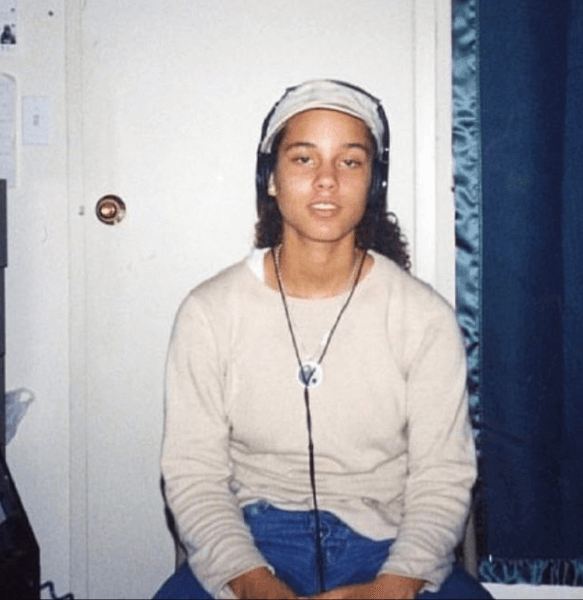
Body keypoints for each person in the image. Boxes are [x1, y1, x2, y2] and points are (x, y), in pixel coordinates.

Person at [154, 80, 490, 599]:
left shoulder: (423, 318)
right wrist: (251, 582)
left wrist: (392, 587)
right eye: (304, 159)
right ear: (271, 179)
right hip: (255, 541)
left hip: (387, 541)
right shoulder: (209, 312)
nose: (327, 181)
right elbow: (194, 476)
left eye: (350, 162)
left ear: (374, 184)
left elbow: (442, 478)